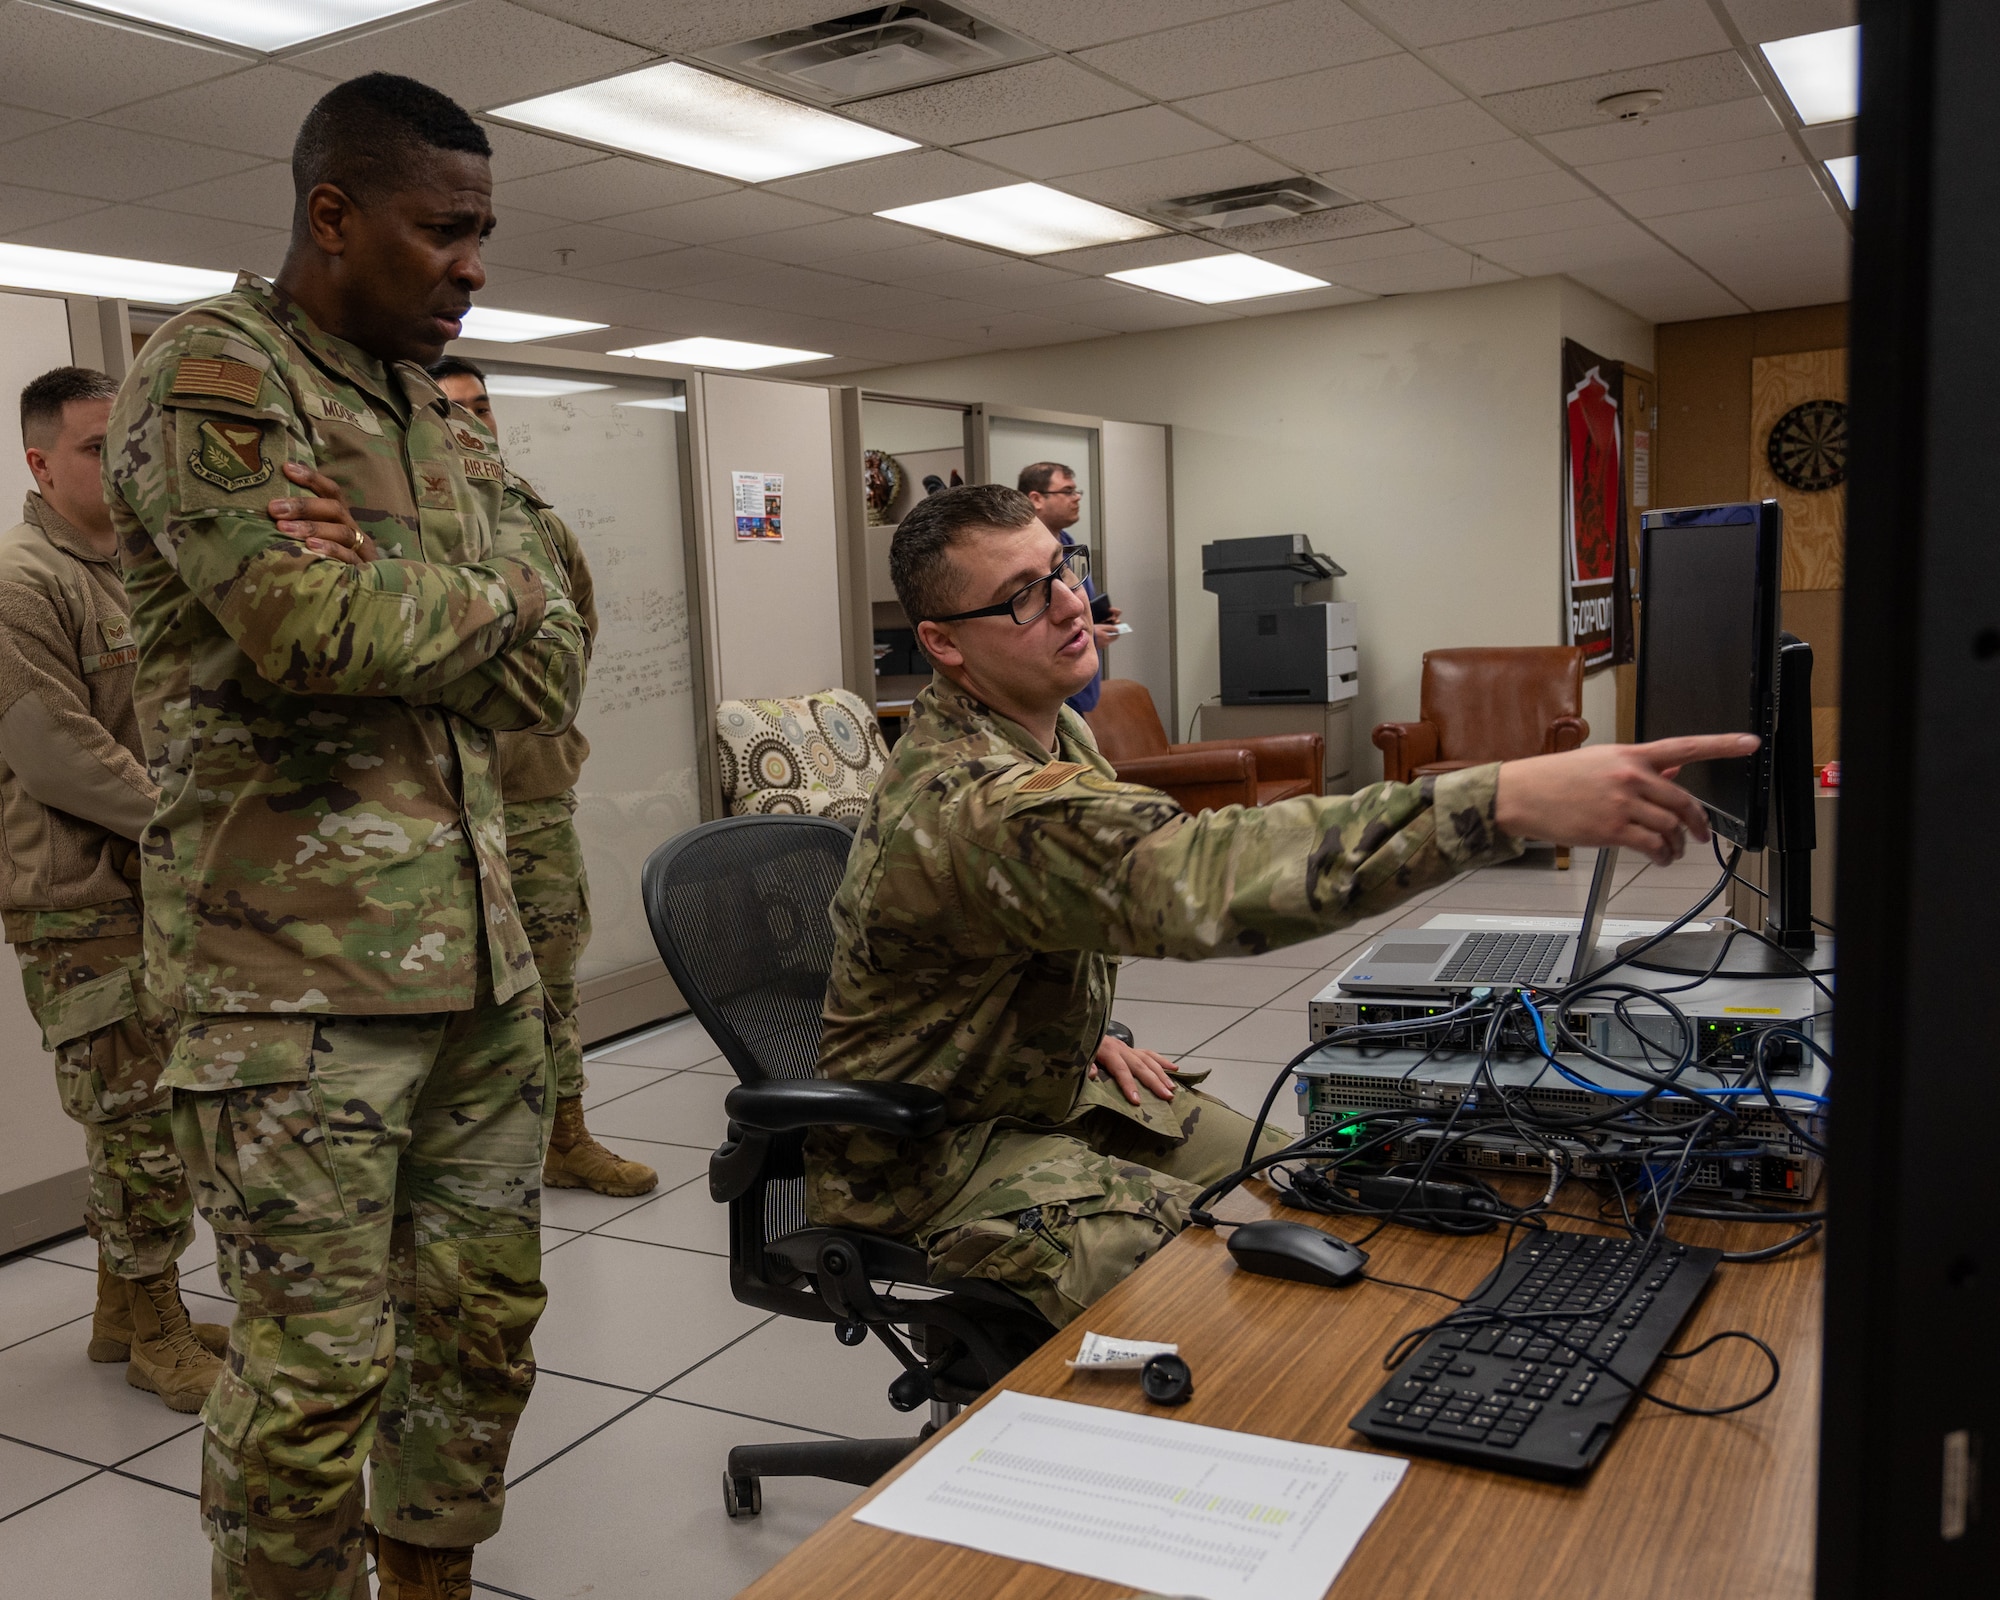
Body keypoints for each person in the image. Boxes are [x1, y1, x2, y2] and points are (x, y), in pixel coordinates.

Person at [804, 484, 1760, 1330]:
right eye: (1020, 596)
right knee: (1230, 1289)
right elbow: (1193, 878)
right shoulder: (967, 800)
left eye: (1061, 571)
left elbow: (1021, 924)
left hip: (1036, 1087)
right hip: (931, 1159)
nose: (1066, 605)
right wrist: (1500, 799)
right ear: (941, 643)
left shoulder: (1052, 731)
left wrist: (1075, 1025)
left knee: (1313, 1178)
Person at [103, 74, 587, 1600]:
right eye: (444, 231)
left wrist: (454, 601)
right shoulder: (214, 372)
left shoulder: (427, 405)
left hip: (478, 971)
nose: (473, 268)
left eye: (484, 234)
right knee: (315, 1380)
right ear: (333, 215)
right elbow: (302, 623)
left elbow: (557, 641)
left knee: (479, 1324)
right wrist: (485, 599)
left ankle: (432, 1577)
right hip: (291, 993)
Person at [0, 367, 227, 1412]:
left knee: (151, 1108)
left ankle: (117, 1310)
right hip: (79, 897)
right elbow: (60, 756)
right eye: (97, 446)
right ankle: (158, 1331)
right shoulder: (18, 583)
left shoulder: (139, 562)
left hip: (151, 881)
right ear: (41, 464)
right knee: (135, 1119)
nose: (123, 459)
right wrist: (196, 833)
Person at [428, 355, 655, 1197]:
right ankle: (466, 1156)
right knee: (453, 996)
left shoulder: (534, 518)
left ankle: (567, 1135)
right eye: (449, 409)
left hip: (530, 793)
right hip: (437, 804)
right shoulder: (397, 521)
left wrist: (525, 705)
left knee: (552, 976)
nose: (471, 423)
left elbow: (578, 630)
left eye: (481, 407)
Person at [1018, 460, 1117, 715]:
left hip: (1079, 695)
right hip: (1049, 696)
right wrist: (1093, 635)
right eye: (1067, 491)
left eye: (1076, 491)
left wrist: (1095, 621)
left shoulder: (1069, 546)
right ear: (1036, 499)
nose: (1076, 498)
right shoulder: (1022, 557)